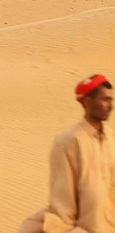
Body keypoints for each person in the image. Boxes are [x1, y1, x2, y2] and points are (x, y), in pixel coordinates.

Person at [18, 74, 115, 233]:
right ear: (88, 102)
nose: (110, 105)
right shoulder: (68, 141)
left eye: (111, 99)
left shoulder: (112, 138)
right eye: (105, 99)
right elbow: (63, 199)